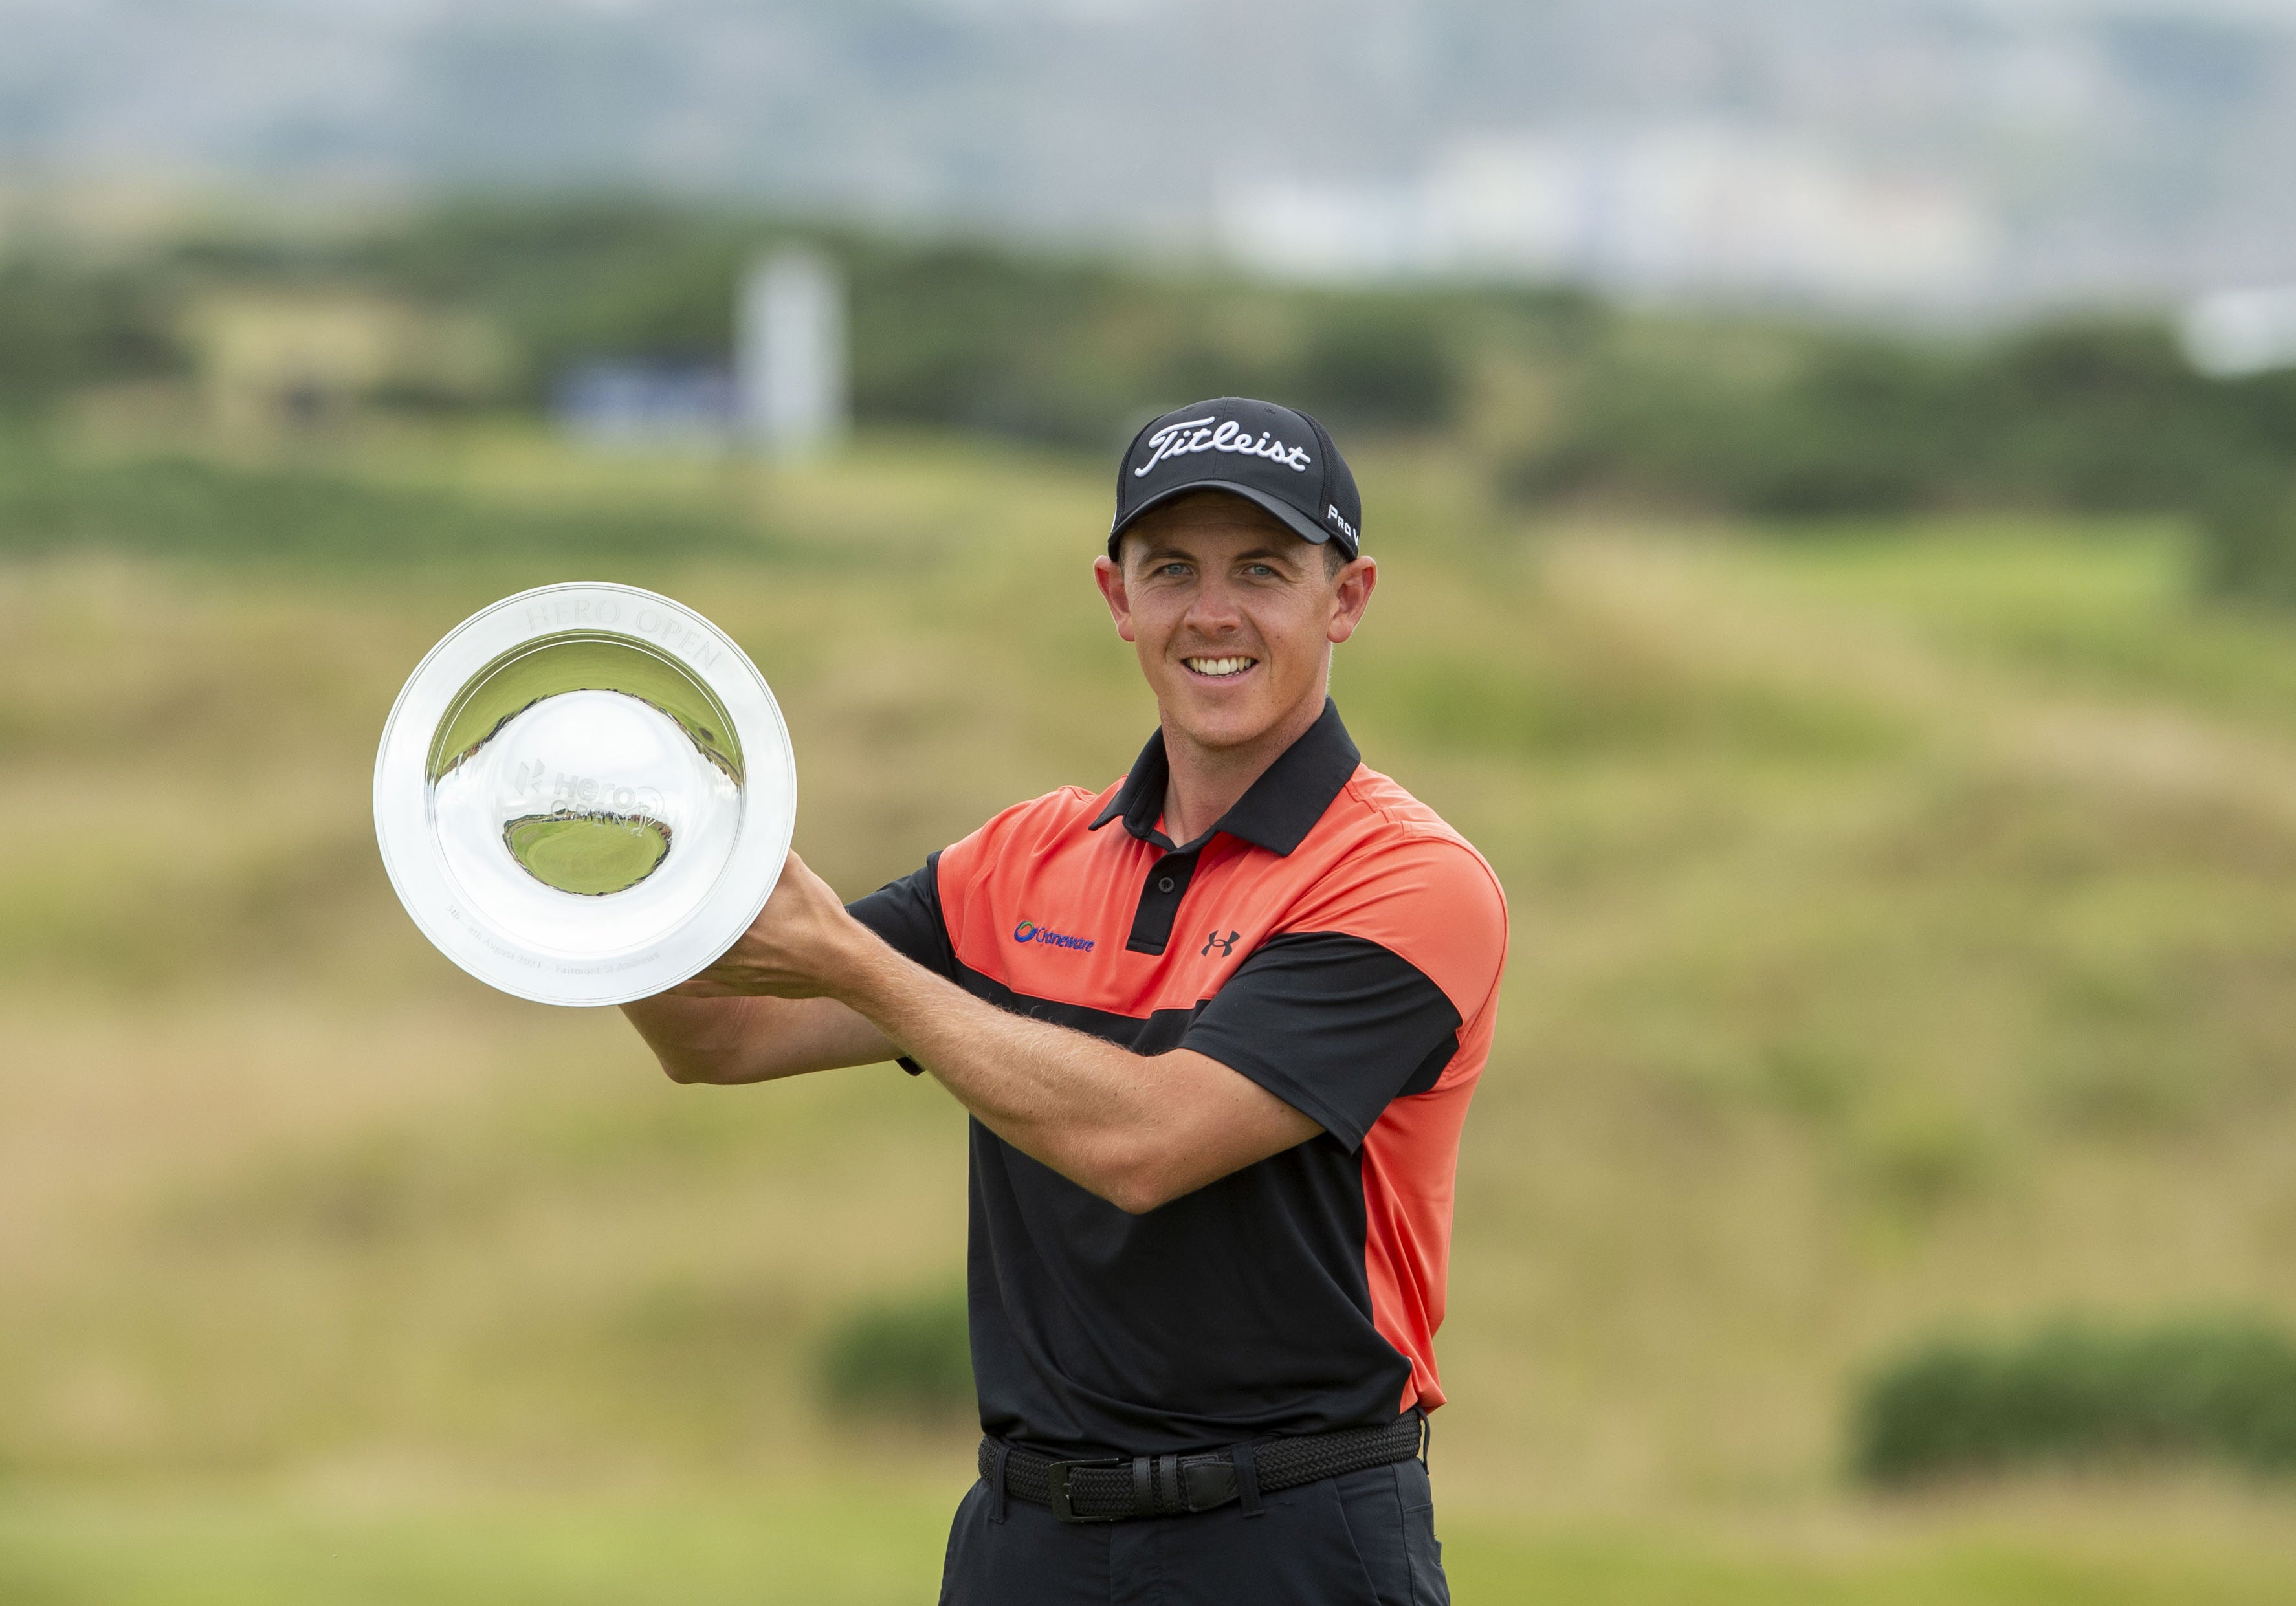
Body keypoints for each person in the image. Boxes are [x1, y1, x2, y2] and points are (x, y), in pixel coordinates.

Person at [620, 397, 1508, 1605]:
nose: (1213, 612)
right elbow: (718, 1036)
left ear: (1343, 598)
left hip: (1294, 1533)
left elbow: (1150, 1140)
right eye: (1172, 569)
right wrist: (621, 896)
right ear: (1116, 596)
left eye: (1263, 569)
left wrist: (861, 963)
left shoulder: (1407, 879)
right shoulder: (1022, 859)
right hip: (1026, 1538)